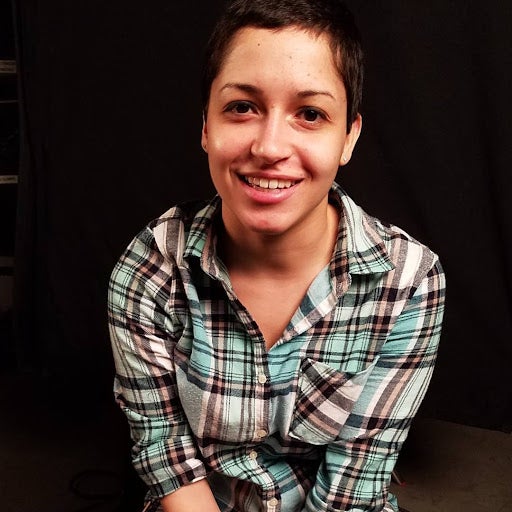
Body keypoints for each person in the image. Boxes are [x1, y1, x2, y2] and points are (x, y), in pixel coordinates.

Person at [108, 0, 446, 510]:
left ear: (348, 137)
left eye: (310, 114)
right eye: (242, 107)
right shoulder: (151, 266)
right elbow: (166, 454)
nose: (269, 148)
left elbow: (353, 487)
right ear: (206, 127)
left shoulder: (410, 281)